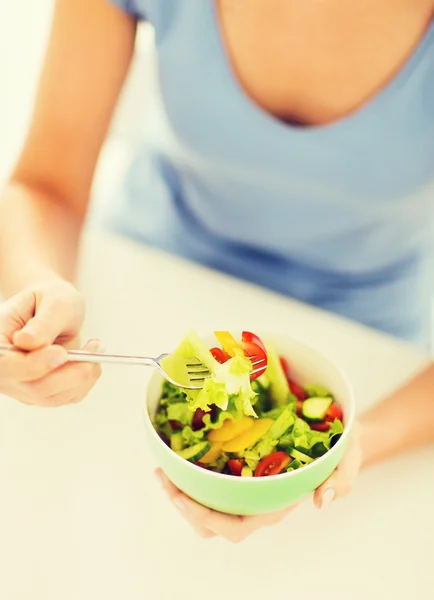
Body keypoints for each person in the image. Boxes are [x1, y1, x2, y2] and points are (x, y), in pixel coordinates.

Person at [0, 0, 433, 542]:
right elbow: (45, 185)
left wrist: (359, 439)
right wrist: (37, 287)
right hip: (148, 268)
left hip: (373, 339)